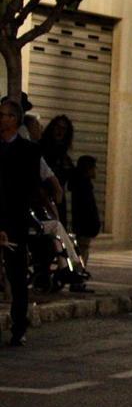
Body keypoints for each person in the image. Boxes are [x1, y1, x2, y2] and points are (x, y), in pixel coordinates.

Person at [0, 97, 43, 347]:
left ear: (15, 120)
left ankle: (19, 325)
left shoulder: (28, 151)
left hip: (15, 219)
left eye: (6, 115)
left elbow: (29, 188)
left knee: (17, 276)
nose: (2, 119)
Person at [40, 114, 75, 224]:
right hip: (43, 198)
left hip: (58, 200)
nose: (60, 131)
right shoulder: (42, 148)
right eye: (57, 127)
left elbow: (71, 181)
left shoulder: (64, 156)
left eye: (63, 129)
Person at [69, 155, 101, 267]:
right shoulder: (83, 186)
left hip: (83, 227)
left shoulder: (81, 185)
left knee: (82, 250)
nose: (95, 170)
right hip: (84, 227)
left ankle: (79, 272)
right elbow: (88, 208)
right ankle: (79, 273)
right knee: (82, 250)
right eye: (93, 167)